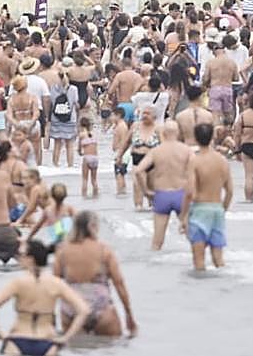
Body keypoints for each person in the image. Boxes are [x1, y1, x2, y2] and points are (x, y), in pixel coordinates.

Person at [0, 240, 90, 356]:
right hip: (47, 342)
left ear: (31, 259)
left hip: (18, 340)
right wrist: (65, 338)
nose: (19, 258)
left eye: (22, 255)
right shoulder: (56, 283)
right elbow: (84, 310)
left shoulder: (18, 282)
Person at [52, 211, 136, 337]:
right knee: (114, 347)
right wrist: (128, 314)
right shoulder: (104, 249)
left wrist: (49, 315)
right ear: (93, 227)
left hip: (71, 308)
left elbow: (53, 285)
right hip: (101, 307)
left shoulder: (62, 250)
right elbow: (119, 283)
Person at [180, 122, 232, 270]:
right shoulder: (222, 161)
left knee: (199, 261)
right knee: (218, 260)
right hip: (216, 209)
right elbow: (229, 191)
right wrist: (223, 209)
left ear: (195, 138)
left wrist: (184, 216)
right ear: (212, 137)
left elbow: (190, 192)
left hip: (200, 211)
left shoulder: (194, 161)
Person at [138, 120, 192, 250]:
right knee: (193, 238)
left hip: (162, 195)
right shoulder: (186, 150)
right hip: (181, 195)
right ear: (178, 132)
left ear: (163, 133)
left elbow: (139, 171)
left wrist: (146, 191)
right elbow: (196, 172)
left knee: (157, 242)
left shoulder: (156, 151)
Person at [77, 119, 99, 197]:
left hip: (87, 158)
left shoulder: (81, 135)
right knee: (94, 180)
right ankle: (96, 195)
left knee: (85, 180)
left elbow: (79, 149)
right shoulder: (94, 134)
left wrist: (80, 153)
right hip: (95, 158)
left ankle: (84, 196)